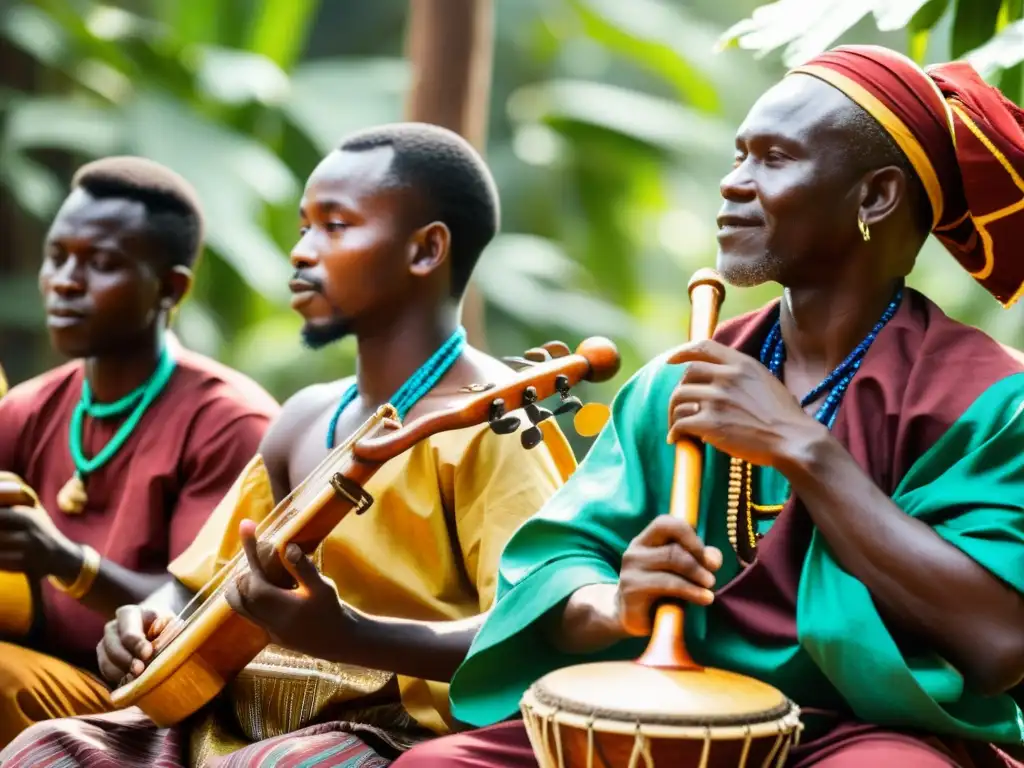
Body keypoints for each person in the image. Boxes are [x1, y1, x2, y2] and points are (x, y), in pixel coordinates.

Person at [390, 45, 1024, 768]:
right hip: (671, 712)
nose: (732, 185)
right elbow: (559, 563)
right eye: (737, 155)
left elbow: (997, 640)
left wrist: (803, 449)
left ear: (875, 197)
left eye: (773, 159)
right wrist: (616, 601)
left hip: (864, 737)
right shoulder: (680, 382)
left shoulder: (990, 399)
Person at [0, 122, 578, 767]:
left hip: (379, 732)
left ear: (426, 250)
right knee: (48, 749)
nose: (302, 251)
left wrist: (354, 636)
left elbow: (533, 627)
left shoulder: (496, 424)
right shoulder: (306, 417)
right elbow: (195, 584)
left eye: (336, 225)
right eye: (304, 226)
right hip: (232, 715)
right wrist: (142, 621)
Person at [0, 157, 279, 747]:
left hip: (150, 708)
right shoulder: (28, 408)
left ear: (171, 288)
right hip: (31, 661)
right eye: (58, 256)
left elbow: (206, 618)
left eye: (101, 263)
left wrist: (69, 563)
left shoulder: (229, 421)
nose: (66, 281)